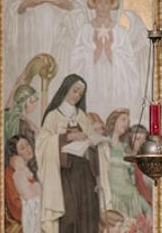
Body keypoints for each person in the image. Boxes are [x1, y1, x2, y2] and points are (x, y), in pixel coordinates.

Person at [39, 75, 106, 233]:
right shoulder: (53, 116)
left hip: (84, 174)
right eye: (75, 91)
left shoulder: (82, 116)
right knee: (70, 216)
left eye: (80, 93)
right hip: (65, 176)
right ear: (66, 89)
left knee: (88, 215)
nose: (77, 96)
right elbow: (42, 144)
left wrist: (94, 142)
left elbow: (90, 139)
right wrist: (67, 137)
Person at [70, 0, 144, 114]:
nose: (103, 6)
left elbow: (130, 64)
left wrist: (110, 52)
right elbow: (75, 61)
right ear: (94, 4)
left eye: (106, 2)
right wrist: (96, 51)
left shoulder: (121, 33)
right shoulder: (85, 31)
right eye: (99, 2)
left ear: (111, 5)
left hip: (114, 84)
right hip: (93, 82)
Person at [5, 134, 41, 233]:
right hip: (20, 221)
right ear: (15, 154)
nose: (28, 149)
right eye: (22, 148)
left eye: (28, 145)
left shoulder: (29, 171)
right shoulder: (9, 172)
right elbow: (15, 205)